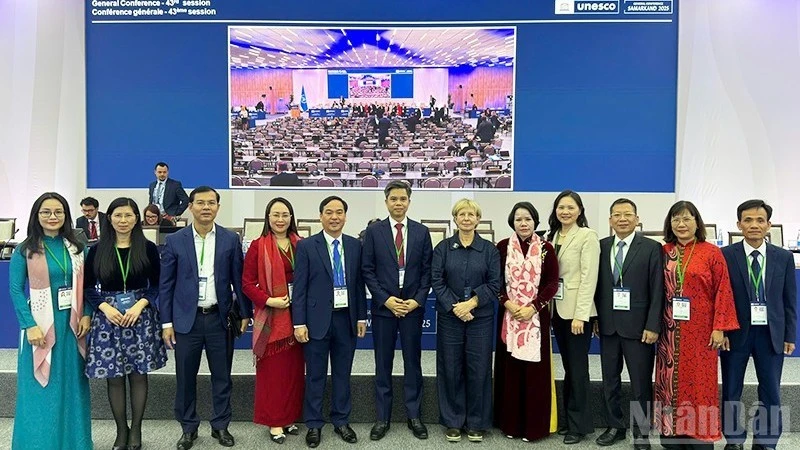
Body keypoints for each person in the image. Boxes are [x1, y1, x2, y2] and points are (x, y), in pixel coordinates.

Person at [159, 186, 252, 450]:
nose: (206, 207)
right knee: (185, 378)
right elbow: (166, 286)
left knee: (222, 377)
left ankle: (221, 426)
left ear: (218, 208)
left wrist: (244, 312)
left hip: (218, 319)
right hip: (186, 322)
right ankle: (188, 428)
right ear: (190, 206)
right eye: (200, 203)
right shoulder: (176, 240)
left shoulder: (229, 239)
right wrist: (167, 323)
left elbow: (238, 278)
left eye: (212, 203)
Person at [8, 192, 92, 449]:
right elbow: (14, 289)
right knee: (40, 388)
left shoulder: (78, 249)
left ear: (66, 215)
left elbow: (88, 286)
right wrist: (29, 325)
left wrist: (87, 313)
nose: (53, 217)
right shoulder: (25, 250)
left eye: (59, 212)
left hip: (72, 326)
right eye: (46, 212)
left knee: (72, 386)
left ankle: (73, 443)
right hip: (41, 328)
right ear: (37, 215)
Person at [653, 200, 739, 449]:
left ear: (696, 222)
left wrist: (719, 327)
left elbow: (723, 290)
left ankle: (700, 435)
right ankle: (670, 432)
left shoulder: (712, 252)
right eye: (676, 219)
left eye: (687, 218)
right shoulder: (663, 251)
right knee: (668, 381)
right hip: (669, 331)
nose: (681, 224)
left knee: (701, 383)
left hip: (702, 331)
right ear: (670, 223)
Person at [84, 197, 167, 450]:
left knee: (138, 376)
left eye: (128, 215)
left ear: (136, 219)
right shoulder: (97, 249)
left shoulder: (149, 248)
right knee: (115, 378)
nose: (123, 220)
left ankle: (137, 429)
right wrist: (104, 306)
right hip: (109, 319)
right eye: (118, 215)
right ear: (109, 218)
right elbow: (87, 286)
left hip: (140, 318)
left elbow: (158, 285)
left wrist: (141, 304)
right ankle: (121, 430)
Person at [292, 196, 367, 448]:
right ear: (320, 216)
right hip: (315, 321)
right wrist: (298, 322)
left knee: (343, 374)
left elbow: (358, 284)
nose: (334, 217)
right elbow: (299, 288)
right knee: (314, 375)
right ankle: (313, 424)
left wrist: (361, 316)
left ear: (345, 216)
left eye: (339, 212)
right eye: (329, 212)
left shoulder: (355, 245)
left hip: (346, 319)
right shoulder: (306, 246)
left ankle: (341, 421)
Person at [721, 200, 796, 450]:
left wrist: (790, 335)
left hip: (771, 334)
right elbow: (721, 297)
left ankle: (765, 441)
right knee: (732, 390)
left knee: (771, 392)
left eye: (760, 220)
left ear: (769, 225)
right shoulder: (725, 256)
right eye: (748, 220)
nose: (754, 225)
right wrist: (722, 328)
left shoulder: (783, 257)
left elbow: (789, 300)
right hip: (735, 333)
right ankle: (734, 440)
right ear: (739, 224)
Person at [362, 181, 433, 441]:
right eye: (393, 199)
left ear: (409, 201)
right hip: (384, 310)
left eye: (403, 199)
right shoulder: (373, 232)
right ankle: (383, 418)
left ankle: (414, 416)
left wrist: (416, 300)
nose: (398, 203)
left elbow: (428, 271)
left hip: (412, 309)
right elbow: (367, 270)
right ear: (386, 202)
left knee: (413, 364)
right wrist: (386, 299)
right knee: (383, 364)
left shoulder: (422, 232)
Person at [594, 198, 664, 450]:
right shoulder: (600, 246)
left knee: (640, 384)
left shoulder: (651, 248)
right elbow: (595, 287)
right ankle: (616, 426)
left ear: (637, 218)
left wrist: (653, 325)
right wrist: (595, 319)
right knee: (609, 380)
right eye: (617, 215)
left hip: (640, 329)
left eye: (627, 214)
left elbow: (658, 290)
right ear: (610, 220)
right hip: (608, 326)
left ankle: (642, 432)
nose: (622, 219)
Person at [431, 198, 501, 443]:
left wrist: (471, 303)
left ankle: (476, 423)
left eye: (471, 214)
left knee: (479, 369)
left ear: (478, 219)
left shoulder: (489, 250)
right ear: (455, 218)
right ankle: (452, 421)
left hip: (480, 318)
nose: (467, 218)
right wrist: (456, 307)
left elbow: (495, 284)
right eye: (462, 214)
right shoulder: (443, 248)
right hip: (450, 318)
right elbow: (436, 281)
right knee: (450, 368)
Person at [493, 202, 559, 442]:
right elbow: (495, 281)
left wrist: (533, 307)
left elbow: (552, 282)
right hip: (508, 316)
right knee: (510, 371)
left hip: (535, 318)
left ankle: (534, 427)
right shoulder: (501, 247)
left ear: (535, 222)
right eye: (519, 219)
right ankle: (510, 424)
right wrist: (508, 304)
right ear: (512, 222)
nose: (523, 223)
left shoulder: (546, 249)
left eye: (528, 219)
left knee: (534, 374)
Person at [242, 198, 305, 444]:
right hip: (272, 318)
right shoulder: (258, 246)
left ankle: (289, 418)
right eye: (276, 215)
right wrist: (269, 300)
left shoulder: (301, 245)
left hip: (298, 317)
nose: (280, 220)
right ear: (268, 218)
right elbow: (247, 283)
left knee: (293, 373)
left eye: (285, 215)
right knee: (273, 375)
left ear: (292, 218)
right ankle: (274, 421)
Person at [545, 189, 600, 444]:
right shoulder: (551, 235)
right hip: (557, 310)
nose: (565, 211)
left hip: (577, 314)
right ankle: (569, 420)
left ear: (579, 210)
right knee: (568, 367)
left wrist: (581, 315)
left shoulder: (587, 236)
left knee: (578, 369)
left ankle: (579, 426)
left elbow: (589, 278)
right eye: (561, 207)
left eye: (570, 207)